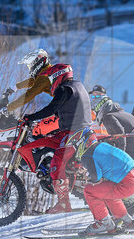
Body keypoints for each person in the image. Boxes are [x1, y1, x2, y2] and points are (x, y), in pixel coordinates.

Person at [23, 63, 94, 213]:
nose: (50, 82)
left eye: (51, 78)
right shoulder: (77, 86)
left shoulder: (65, 88)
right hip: (79, 130)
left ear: (58, 75)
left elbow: (52, 107)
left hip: (74, 133)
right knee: (50, 143)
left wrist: (31, 117)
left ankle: (63, 205)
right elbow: (62, 111)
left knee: (56, 165)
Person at [75, 139, 134, 235]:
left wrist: (88, 178)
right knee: (104, 190)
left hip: (127, 182)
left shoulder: (87, 155)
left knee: (89, 190)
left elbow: (96, 177)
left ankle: (104, 223)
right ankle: (123, 218)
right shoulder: (101, 145)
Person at [92, 94, 134, 162]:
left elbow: (120, 134)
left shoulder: (108, 117)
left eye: (96, 110)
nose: (95, 113)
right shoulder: (124, 114)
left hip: (131, 150)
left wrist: (121, 154)